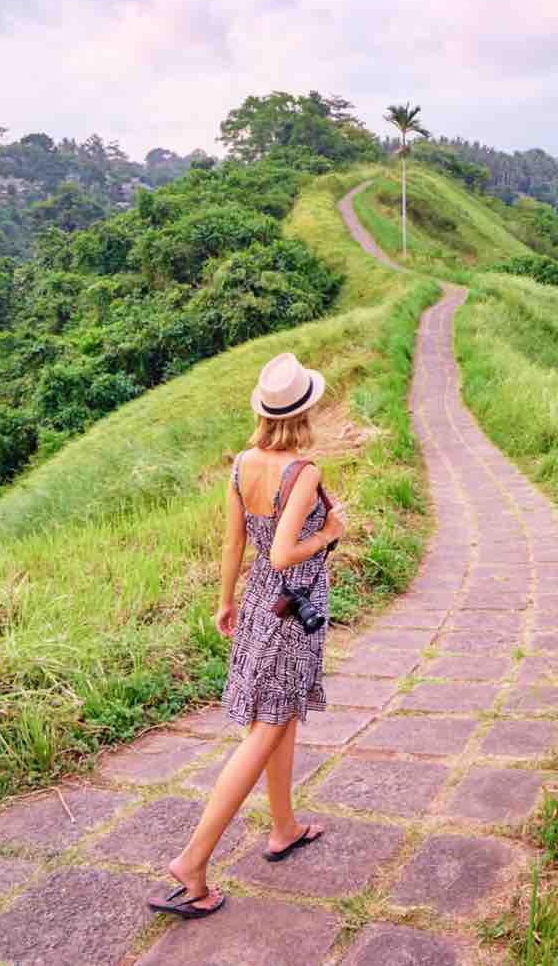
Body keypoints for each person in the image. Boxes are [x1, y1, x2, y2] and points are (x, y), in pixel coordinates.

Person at [155, 352, 345, 920]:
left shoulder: (243, 463)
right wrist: (330, 532)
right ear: (304, 412)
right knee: (266, 730)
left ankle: (283, 827)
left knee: (280, 719)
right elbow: (287, 553)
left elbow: (235, 542)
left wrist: (225, 600)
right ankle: (192, 863)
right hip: (293, 612)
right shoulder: (302, 473)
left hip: (261, 604)